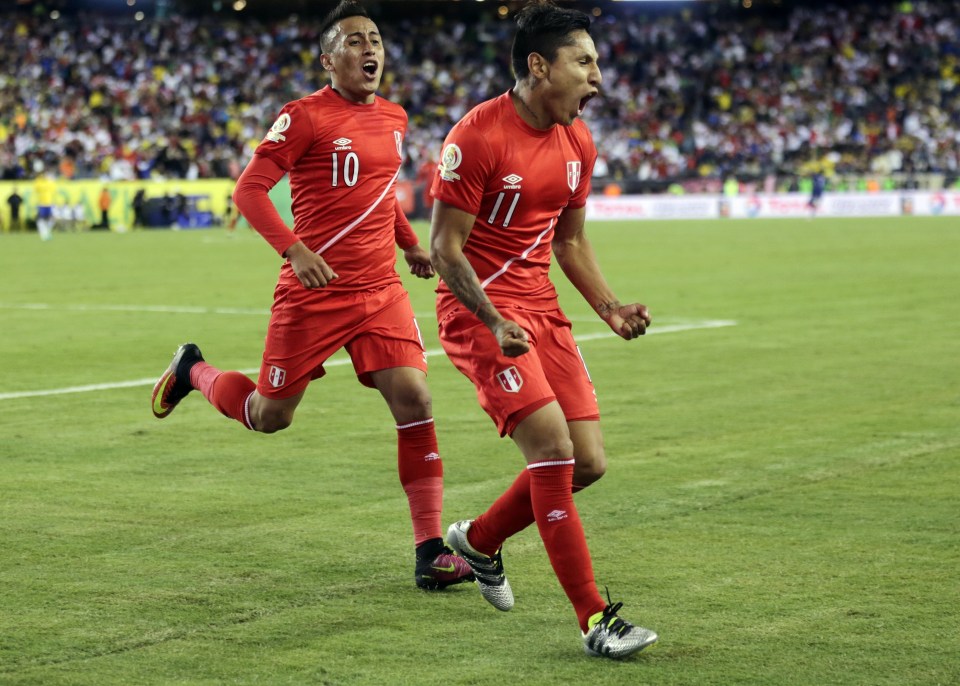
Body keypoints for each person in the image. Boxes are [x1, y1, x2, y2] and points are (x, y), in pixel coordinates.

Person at [151, 0, 473, 592]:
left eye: (374, 38)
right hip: (313, 293)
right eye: (353, 41)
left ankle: (430, 552)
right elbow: (249, 192)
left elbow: (382, 196)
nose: (369, 48)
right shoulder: (302, 117)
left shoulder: (396, 117)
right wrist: (293, 249)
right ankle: (192, 369)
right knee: (270, 417)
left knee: (417, 401)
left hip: (380, 290)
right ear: (328, 59)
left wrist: (407, 244)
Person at [429, 1, 658, 659]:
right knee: (554, 453)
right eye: (584, 63)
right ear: (539, 65)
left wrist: (609, 308)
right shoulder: (475, 137)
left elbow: (572, 241)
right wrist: (493, 320)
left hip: (540, 312)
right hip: (480, 317)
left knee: (588, 463)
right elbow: (445, 250)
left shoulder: (577, 141)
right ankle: (594, 619)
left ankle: (478, 541)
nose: (597, 79)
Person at [33, 171, 56, 241]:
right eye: (44, 175)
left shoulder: (50, 182)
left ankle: (46, 232)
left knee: (52, 219)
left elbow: (54, 189)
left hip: (49, 203)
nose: (45, 176)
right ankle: (43, 234)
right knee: (40, 220)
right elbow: (36, 189)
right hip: (42, 204)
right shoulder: (39, 182)